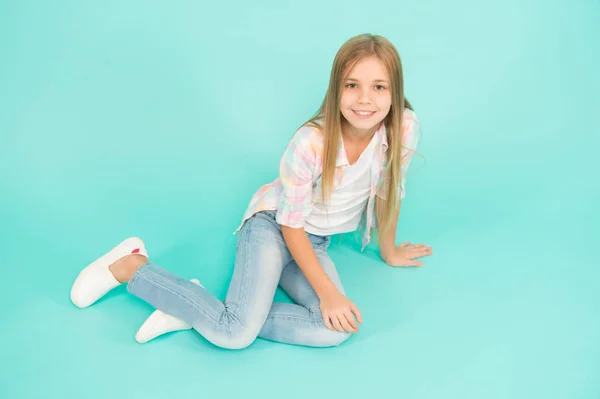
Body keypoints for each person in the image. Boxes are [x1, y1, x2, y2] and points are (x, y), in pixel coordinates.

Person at [69, 33, 433, 349]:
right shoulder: (311, 142)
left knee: (332, 329)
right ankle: (130, 266)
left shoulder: (403, 128)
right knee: (234, 334)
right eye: (352, 85)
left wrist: (388, 250)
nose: (365, 99)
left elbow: (390, 189)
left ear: (394, 91)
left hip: (315, 242)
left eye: (379, 87)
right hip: (273, 228)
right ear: (336, 88)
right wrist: (329, 293)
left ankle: (195, 309)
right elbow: (290, 224)